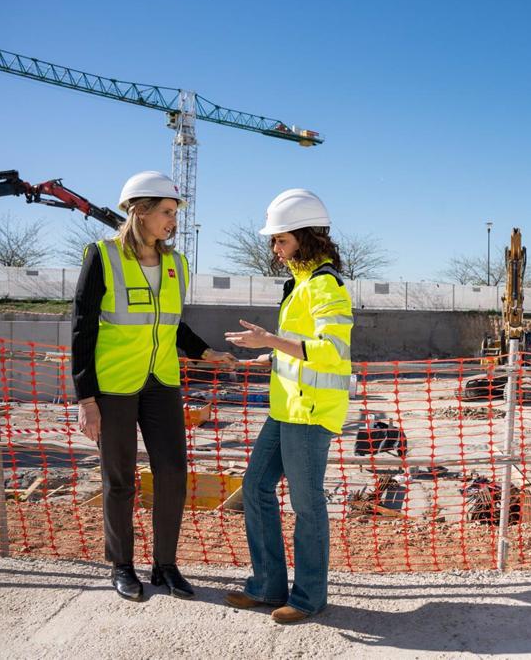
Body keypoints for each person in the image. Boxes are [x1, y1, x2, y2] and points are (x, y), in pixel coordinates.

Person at [72, 171, 234, 602]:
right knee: (120, 480)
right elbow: (82, 328)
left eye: (174, 213)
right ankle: (121, 565)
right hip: (114, 384)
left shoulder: (176, 264)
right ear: (139, 211)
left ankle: (165, 565)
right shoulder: (103, 256)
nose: (173, 221)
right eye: (166, 212)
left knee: (173, 473)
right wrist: (86, 398)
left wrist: (204, 352)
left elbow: (172, 322)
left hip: (162, 382)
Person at [223, 189, 353, 624]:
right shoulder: (299, 284)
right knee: (256, 487)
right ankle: (267, 586)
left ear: (305, 237)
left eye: (281, 240)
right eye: (274, 241)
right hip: (285, 409)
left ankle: (309, 597)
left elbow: (331, 351)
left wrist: (270, 340)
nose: (275, 249)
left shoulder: (326, 285)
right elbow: (299, 346)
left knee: (306, 503)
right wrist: (269, 354)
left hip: (311, 412)